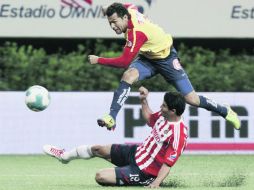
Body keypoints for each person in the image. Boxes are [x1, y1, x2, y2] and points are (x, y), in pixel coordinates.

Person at [88, 2, 240, 131]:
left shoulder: (136, 33)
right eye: (110, 23)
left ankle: (225, 111)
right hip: (148, 58)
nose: (113, 26)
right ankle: (112, 117)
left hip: (167, 59)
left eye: (115, 22)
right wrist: (107, 11)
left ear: (125, 17)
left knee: (193, 100)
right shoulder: (129, 10)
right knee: (129, 76)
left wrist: (98, 60)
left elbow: (123, 62)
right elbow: (128, 5)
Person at [43, 86, 188, 187]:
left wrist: (156, 183)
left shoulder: (178, 135)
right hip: (136, 153)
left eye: (163, 106)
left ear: (173, 111)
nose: (160, 108)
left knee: (100, 176)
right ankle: (64, 156)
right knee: (97, 149)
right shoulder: (164, 115)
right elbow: (150, 119)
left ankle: (134, 178)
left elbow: (168, 164)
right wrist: (143, 100)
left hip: (145, 172)